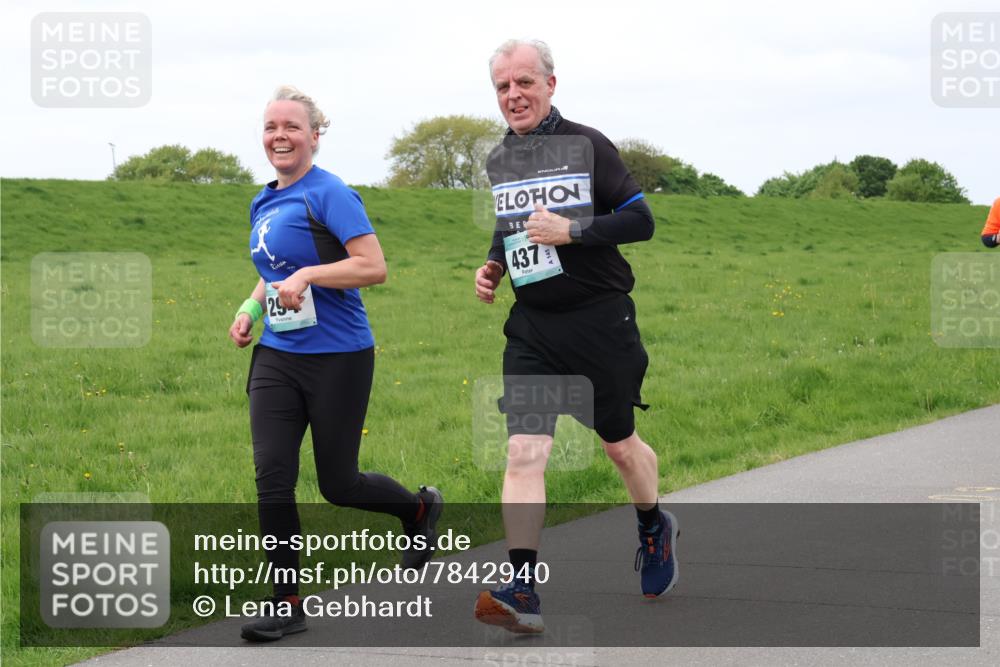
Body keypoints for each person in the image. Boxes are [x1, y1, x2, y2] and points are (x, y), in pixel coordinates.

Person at [472, 40, 677, 634]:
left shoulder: (588, 145)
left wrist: (575, 229)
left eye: (524, 84)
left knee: (619, 446)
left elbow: (641, 219)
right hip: (534, 328)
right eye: (503, 87)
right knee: (523, 449)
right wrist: (495, 267)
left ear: (551, 85)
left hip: (600, 320)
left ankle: (652, 524)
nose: (514, 96)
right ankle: (524, 589)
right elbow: (512, 228)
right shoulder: (499, 160)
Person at [229, 86, 442, 642]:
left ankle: (418, 511)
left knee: (339, 485)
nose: (280, 135)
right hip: (277, 356)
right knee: (272, 477)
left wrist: (308, 277)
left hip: (340, 358)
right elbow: (277, 266)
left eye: (292, 127)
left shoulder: (331, 194)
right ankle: (287, 602)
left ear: (315, 136)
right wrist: (252, 308)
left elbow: (373, 266)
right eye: (271, 126)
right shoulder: (264, 200)